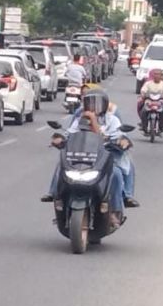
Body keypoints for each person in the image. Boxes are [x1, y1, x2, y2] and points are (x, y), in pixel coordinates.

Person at [41, 90, 138, 227]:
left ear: (104, 105)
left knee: (116, 174)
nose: (93, 107)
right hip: (82, 156)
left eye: (97, 104)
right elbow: (70, 133)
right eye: (90, 103)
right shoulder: (79, 119)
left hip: (105, 158)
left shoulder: (112, 120)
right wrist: (59, 139)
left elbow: (108, 136)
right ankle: (57, 199)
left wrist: (122, 141)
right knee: (61, 166)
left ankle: (114, 212)